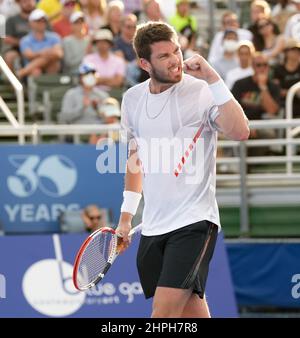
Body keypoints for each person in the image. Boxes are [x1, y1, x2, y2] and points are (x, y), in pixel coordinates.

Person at [116, 22, 249, 318]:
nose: (175, 59)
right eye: (164, 56)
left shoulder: (202, 90)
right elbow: (135, 161)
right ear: (144, 63)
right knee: (192, 313)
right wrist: (126, 218)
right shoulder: (132, 99)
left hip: (194, 221)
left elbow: (240, 131)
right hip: (152, 225)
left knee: (163, 315)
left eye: (176, 50)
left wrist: (213, 78)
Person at [18, 9, 63, 79]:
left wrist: (41, 54)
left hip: (49, 66)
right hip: (34, 70)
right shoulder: (25, 40)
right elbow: (29, 55)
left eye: (44, 20)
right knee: (36, 70)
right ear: (31, 23)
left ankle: (24, 71)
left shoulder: (54, 36)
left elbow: (58, 53)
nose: (42, 23)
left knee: (53, 65)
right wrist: (46, 52)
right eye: (38, 21)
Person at [273, 38, 300, 118]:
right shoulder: (278, 69)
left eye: (297, 50)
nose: (296, 52)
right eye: (292, 49)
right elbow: (277, 90)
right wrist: (294, 92)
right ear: (286, 52)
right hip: (285, 105)